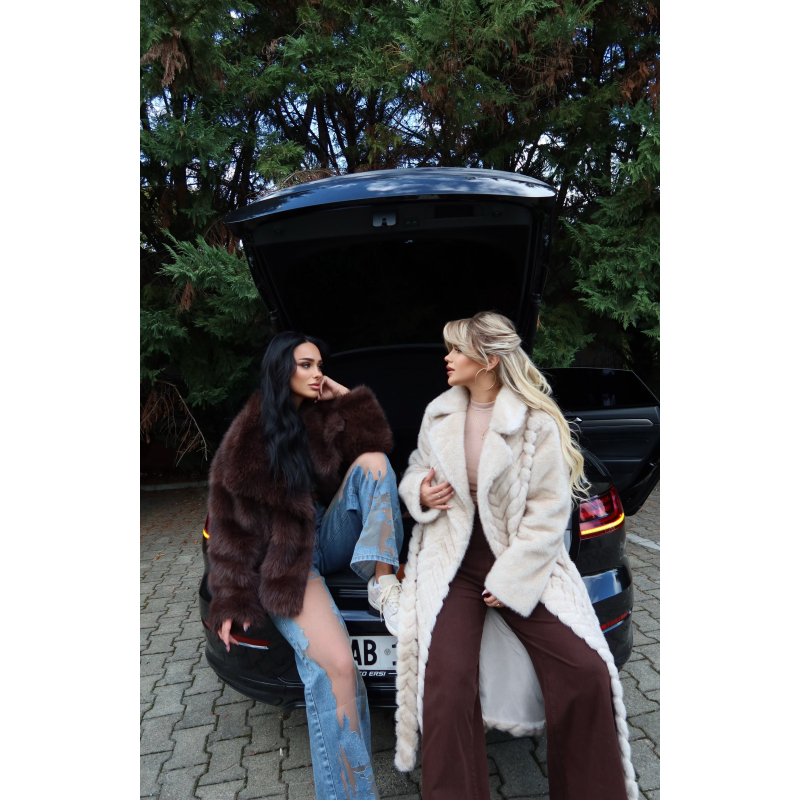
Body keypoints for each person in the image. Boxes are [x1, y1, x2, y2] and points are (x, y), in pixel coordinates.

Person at [394, 312, 638, 800]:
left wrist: (510, 582)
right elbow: (416, 465)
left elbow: (548, 514)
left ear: (488, 359)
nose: (447, 358)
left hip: (519, 559)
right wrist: (418, 489)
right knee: (445, 687)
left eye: (456, 349)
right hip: (451, 560)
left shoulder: (536, 423)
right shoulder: (438, 413)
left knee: (586, 672)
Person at [205, 331, 403, 800]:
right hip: (286, 562)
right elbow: (230, 528)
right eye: (307, 365)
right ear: (281, 369)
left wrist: (345, 399)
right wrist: (230, 598)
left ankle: (384, 583)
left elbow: (376, 443)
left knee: (375, 462)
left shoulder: (319, 418)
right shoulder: (247, 439)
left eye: (319, 365)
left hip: (324, 535)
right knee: (338, 668)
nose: (317, 374)